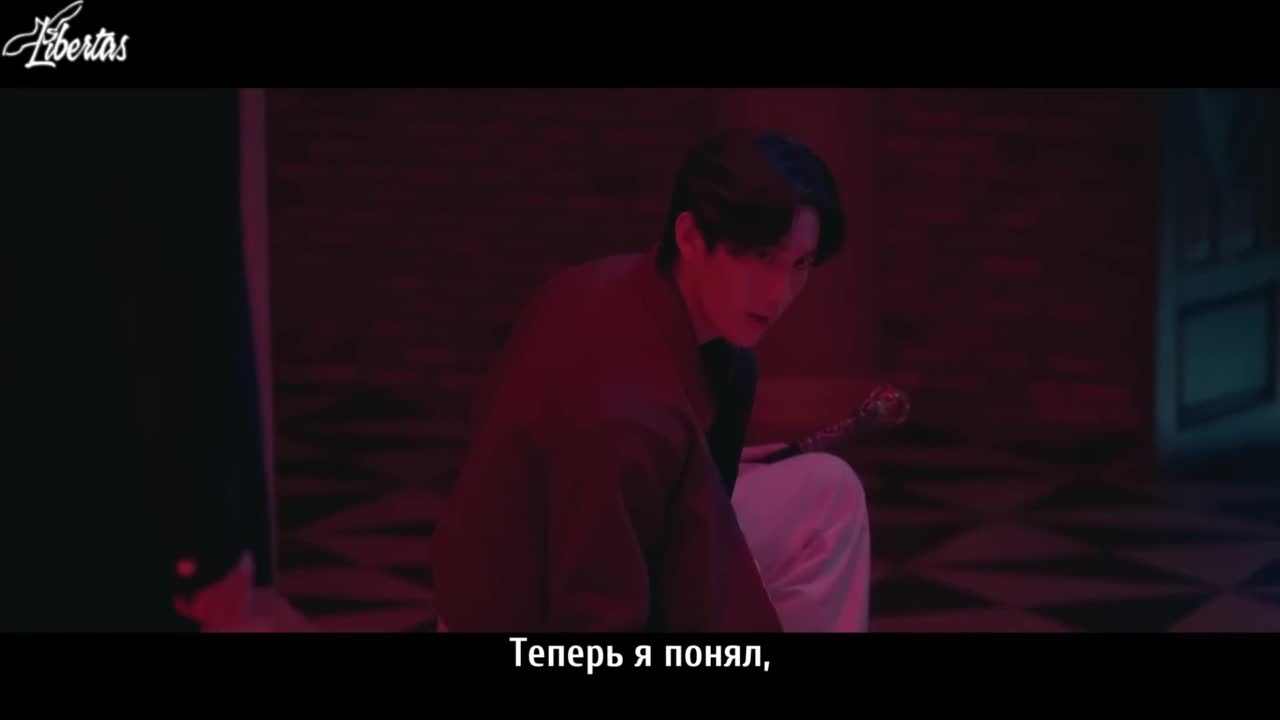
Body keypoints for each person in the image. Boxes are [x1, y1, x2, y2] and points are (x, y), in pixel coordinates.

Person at [432, 128, 871, 633]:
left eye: (800, 264)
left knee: (828, 494)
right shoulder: (623, 413)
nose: (781, 294)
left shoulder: (611, 283)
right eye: (762, 257)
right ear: (691, 237)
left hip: (589, 555)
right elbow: (594, 617)